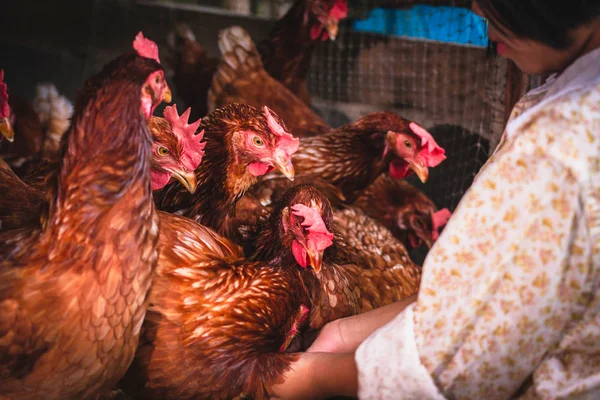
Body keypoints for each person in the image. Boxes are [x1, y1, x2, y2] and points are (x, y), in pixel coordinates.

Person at [270, 0, 600, 398]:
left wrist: (310, 378)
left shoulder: (557, 150)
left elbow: (447, 372)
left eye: (494, 4)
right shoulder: (570, 107)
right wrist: (341, 334)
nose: (478, 14)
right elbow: (484, 293)